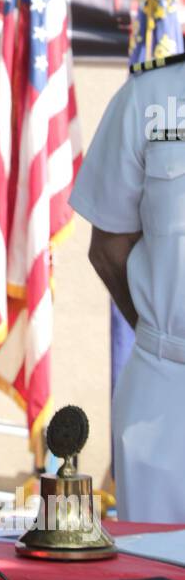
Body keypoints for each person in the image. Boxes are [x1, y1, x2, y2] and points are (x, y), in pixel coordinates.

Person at [69, 52, 185, 522]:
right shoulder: (149, 96)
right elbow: (109, 249)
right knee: (156, 578)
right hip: (167, 385)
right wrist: (159, 334)